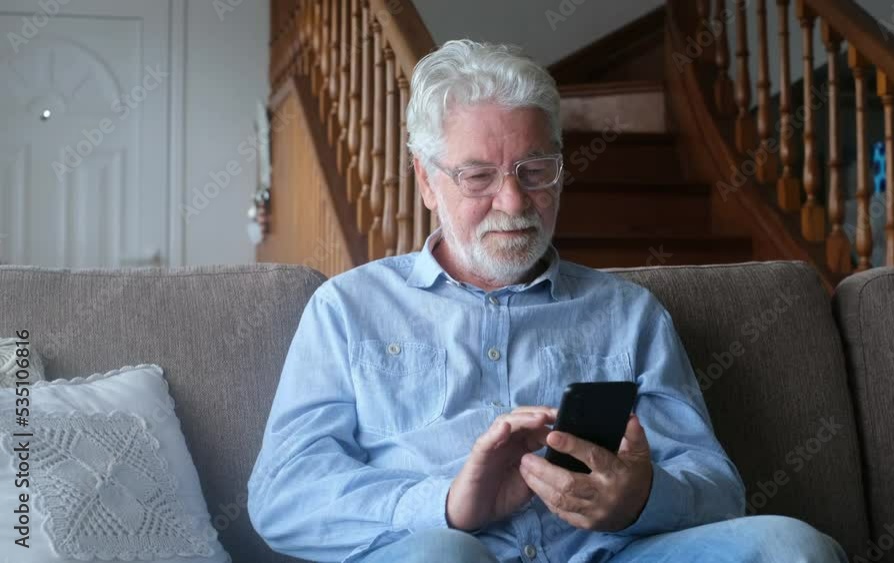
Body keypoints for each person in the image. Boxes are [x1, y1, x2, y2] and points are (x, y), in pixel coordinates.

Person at [247, 39, 848, 563]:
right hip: (450, 553)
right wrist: (445, 505)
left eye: (535, 171)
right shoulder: (347, 308)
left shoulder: (629, 315)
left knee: (790, 547)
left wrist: (642, 498)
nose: (513, 202)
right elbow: (284, 494)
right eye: (478, 176)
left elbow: (717, 486)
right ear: (426, 180)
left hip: (610, 554)